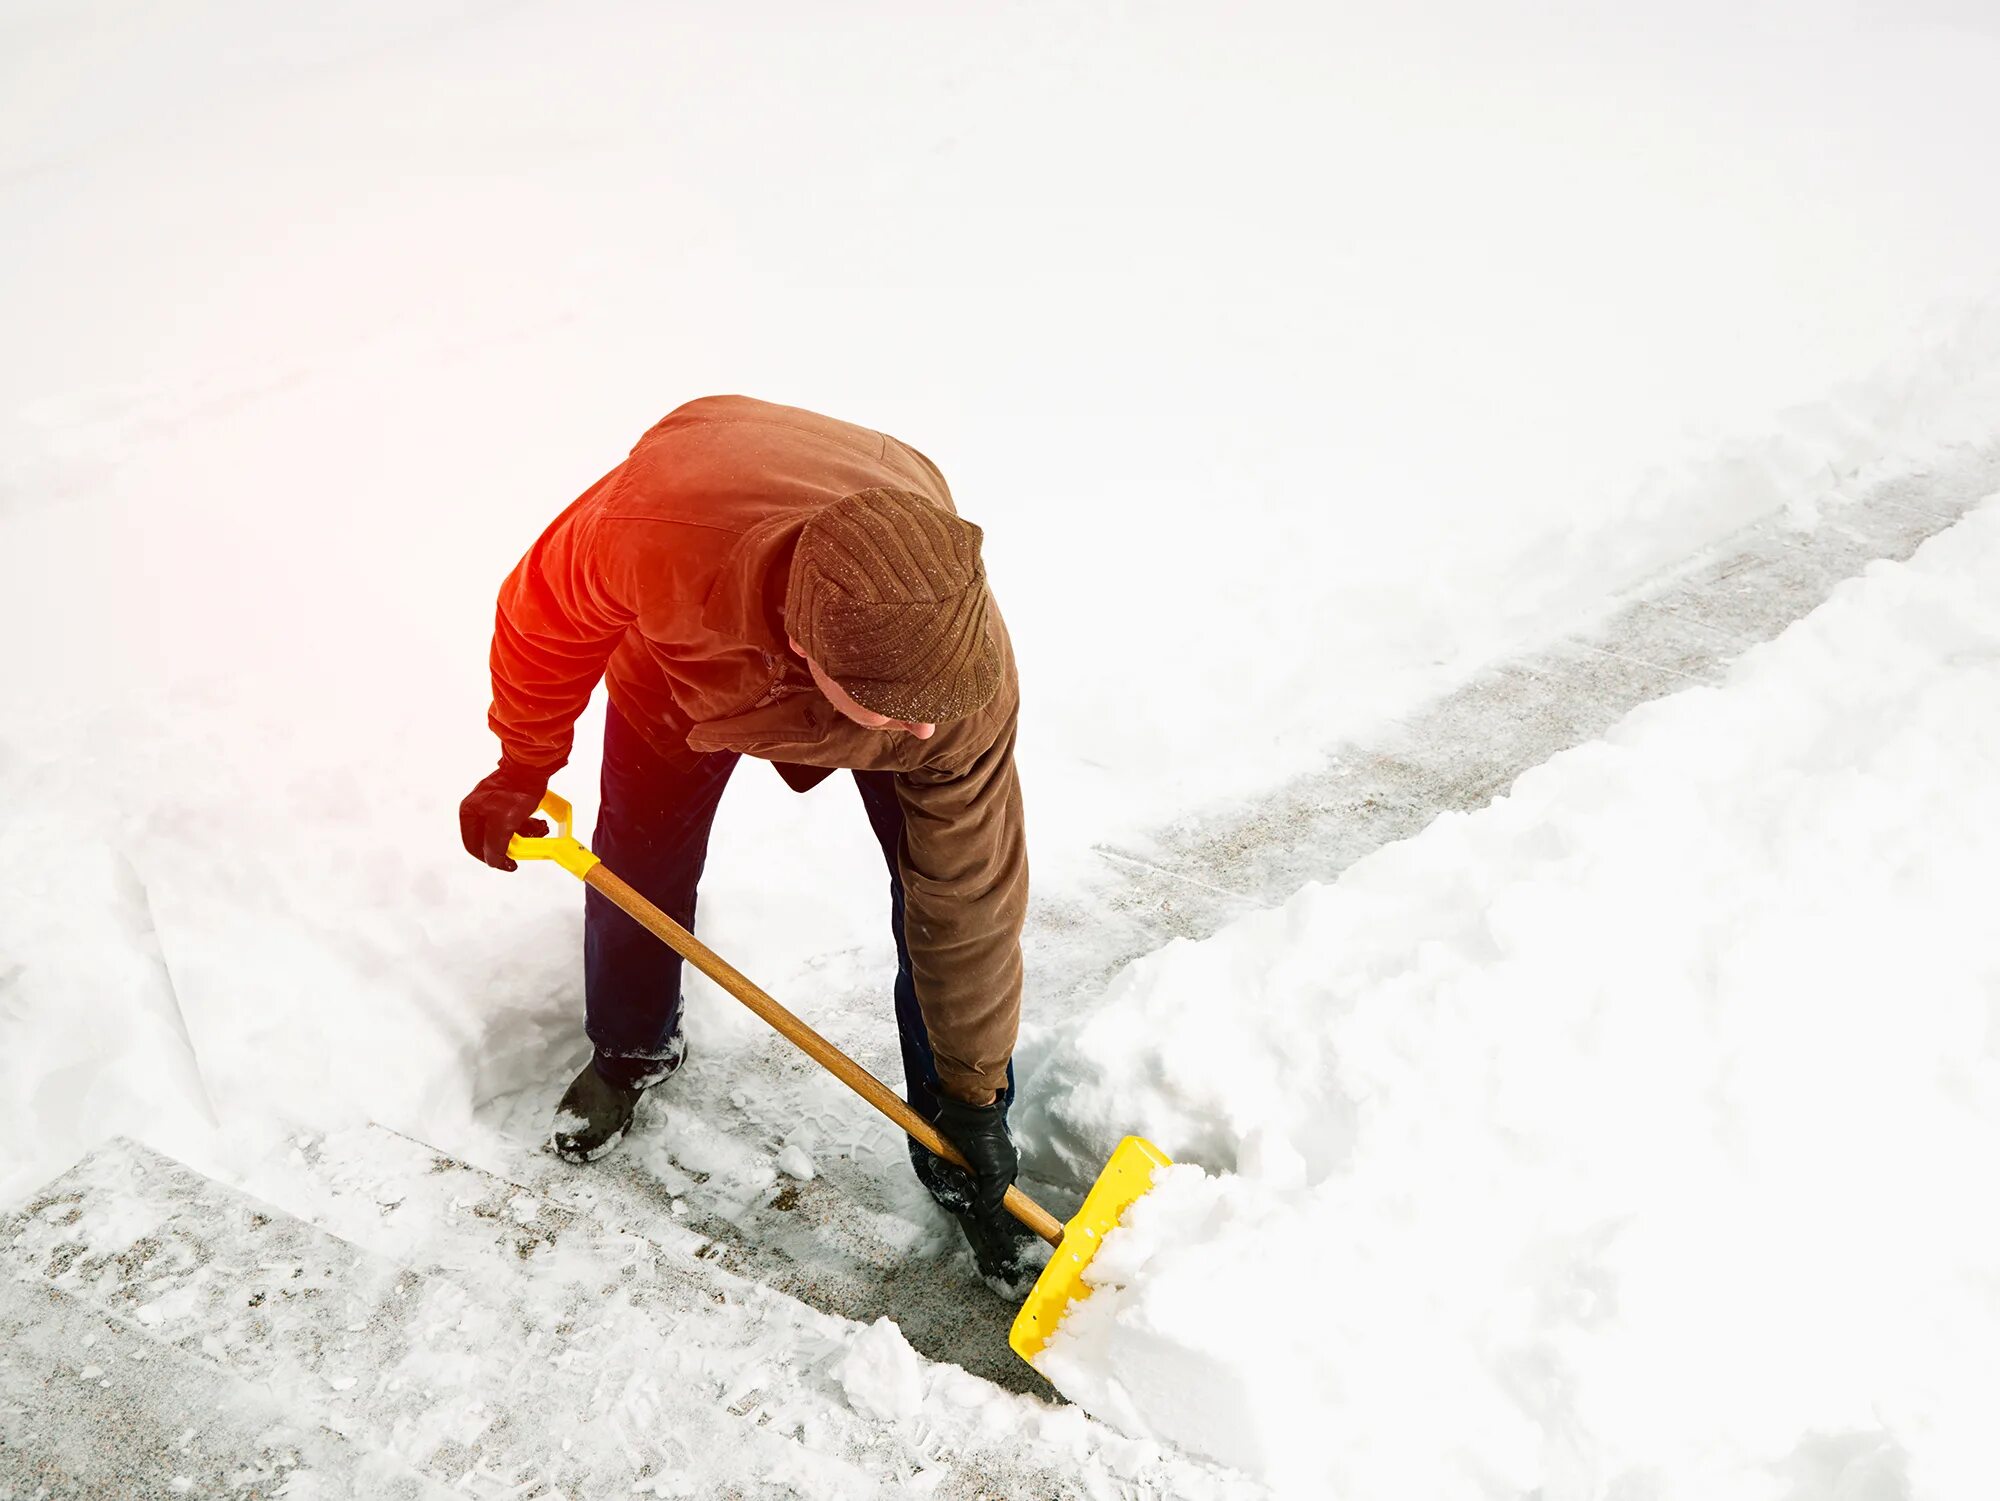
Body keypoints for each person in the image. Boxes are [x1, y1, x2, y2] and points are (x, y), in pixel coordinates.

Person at [457, 394, 1032, 1284]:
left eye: (934, 714)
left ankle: (952, 1144)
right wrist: (522, 764)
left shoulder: (954, 699)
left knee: (934, 897)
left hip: (883, 614)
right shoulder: (653, 531)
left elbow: (970, 904)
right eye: (896, 713)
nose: (921, 734)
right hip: (681, 667)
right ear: (809, 651)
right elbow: (542, 620)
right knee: (638, 857)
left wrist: (978, 1095)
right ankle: (630, 1048)